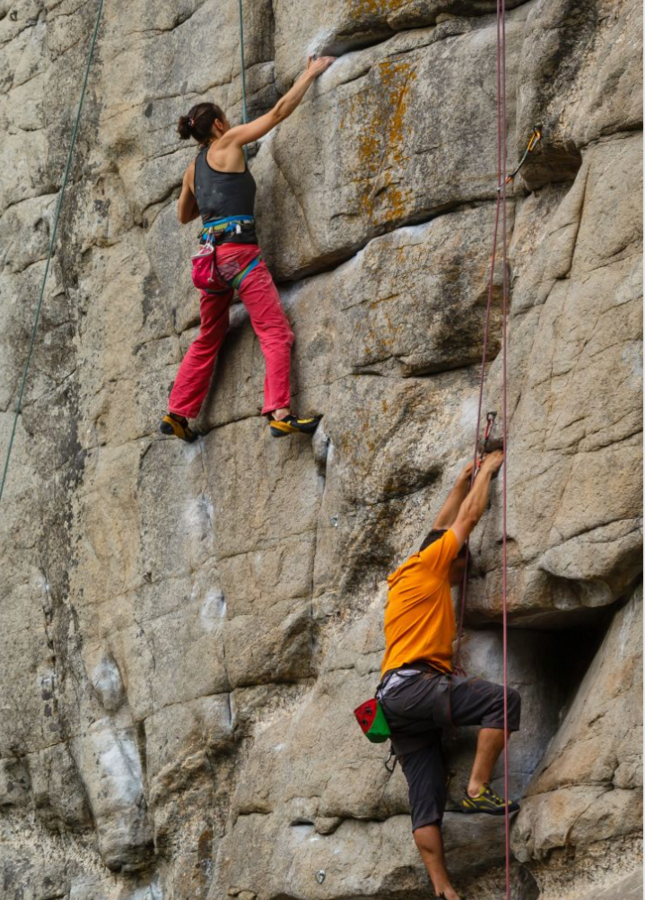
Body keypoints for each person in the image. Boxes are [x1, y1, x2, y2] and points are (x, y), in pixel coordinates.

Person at [161, 54, 335, 442]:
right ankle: (280, 412)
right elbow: (275, 114)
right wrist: (308, 74)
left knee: (210, 333)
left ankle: (177, 411)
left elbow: (184, 215)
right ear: (220, 124)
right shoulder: (230, 140)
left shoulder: (193, 168)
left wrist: (202, 190)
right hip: (239, 255)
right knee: (275, 332)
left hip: (209, 263)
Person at [378, 450, 519, 900]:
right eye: (463, 567)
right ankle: (478, 787)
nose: (463, 576)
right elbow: (468, 520)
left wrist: (461, 479)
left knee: (426, 797)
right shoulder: (434, 566)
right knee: (504, 701)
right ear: (449, 560)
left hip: (392, 702)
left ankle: (442, 889)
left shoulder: (406, 573)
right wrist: (489, 472)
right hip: (416, 687)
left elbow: (439, 525)